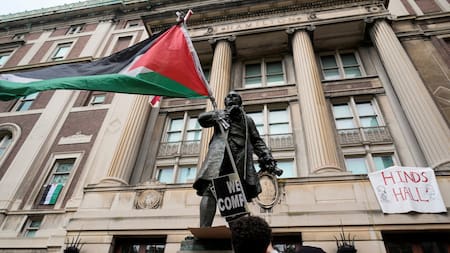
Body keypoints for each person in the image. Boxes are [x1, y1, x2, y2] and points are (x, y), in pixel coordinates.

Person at [193, 91, 280, 227]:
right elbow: (202, 119)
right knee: (210, 190)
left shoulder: (247, 120)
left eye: (235, 97)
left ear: (241, 102)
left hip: (239, 159)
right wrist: (221, 114)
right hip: (219, 158)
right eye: (228, 97)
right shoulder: (220, 114)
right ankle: (204, 230)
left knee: (234, 195)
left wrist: (267, 156)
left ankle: (237, 233)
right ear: (225, 102)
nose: (231, 98)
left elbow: (256, 141)